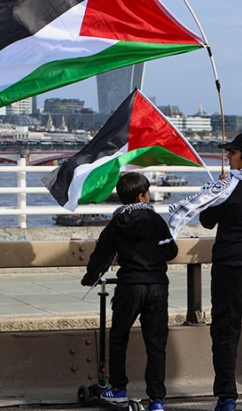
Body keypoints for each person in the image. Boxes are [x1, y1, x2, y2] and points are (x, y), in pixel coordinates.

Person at [168, 132, 242, 411]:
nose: (228, 157)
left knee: (226, 327)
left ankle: (227, 398)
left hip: (231, 261)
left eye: (232, 153)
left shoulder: (229, 185)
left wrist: (219, 189)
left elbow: (206, 220)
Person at [81, 172, 178, 411]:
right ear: (142, 195)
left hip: (129, 286)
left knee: (119, 338)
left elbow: (101, 256)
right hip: (156, 286)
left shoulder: (116, 223)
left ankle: (118, 389)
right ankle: (156, 400)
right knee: (156, 344)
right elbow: (171, 251)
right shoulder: (155, 221)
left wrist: (89, 279)